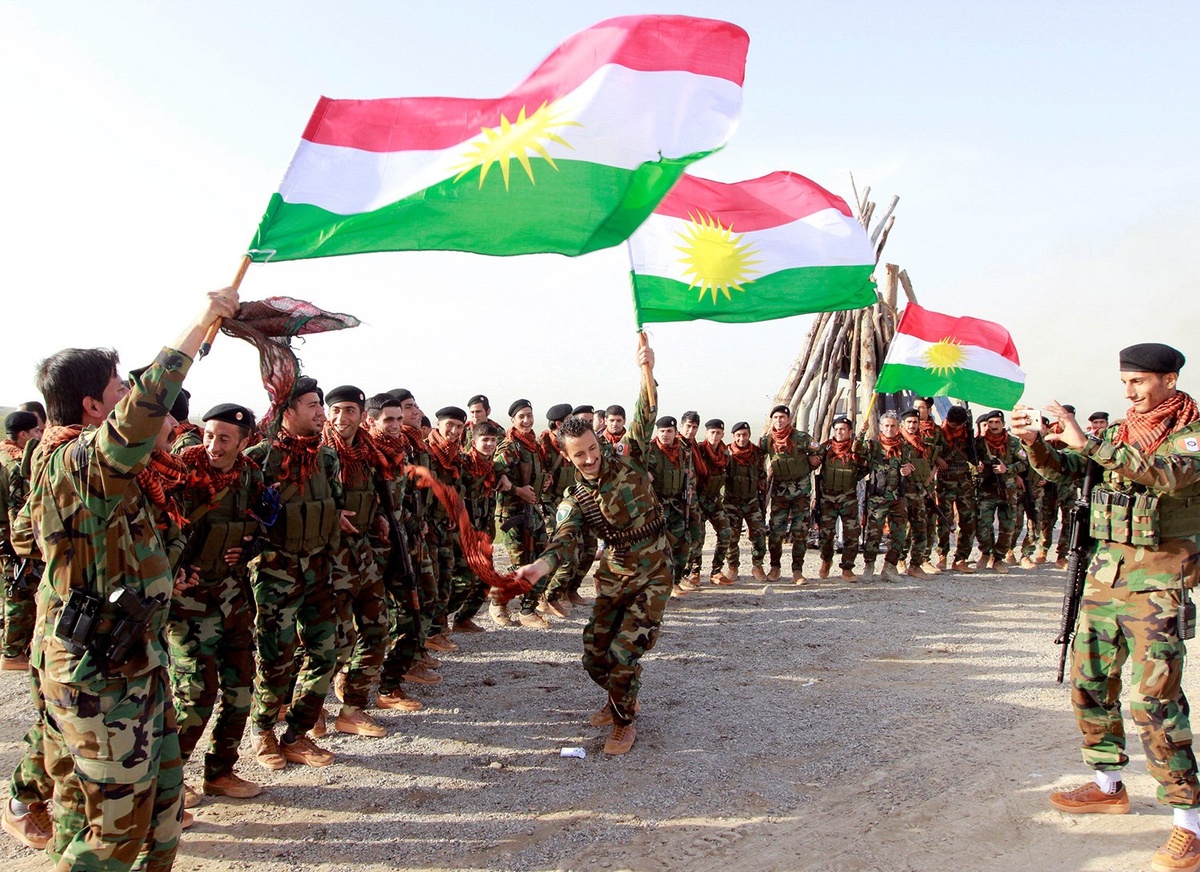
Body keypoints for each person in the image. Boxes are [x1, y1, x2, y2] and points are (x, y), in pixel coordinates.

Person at [14, 287, 238, 869]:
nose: (128, 394)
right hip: (99, 675)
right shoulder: (76, 463)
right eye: (118, 388)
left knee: (158, 811)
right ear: (93, 406)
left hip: (134, 660)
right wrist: (199, 323)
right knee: (116, 830)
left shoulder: (102, 472)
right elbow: (143, 409)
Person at [1013, 342, 1200, 872]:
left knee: (1155, 702)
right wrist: (1034, 443)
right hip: (1105, 578)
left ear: (1169, 379)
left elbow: (1166, 474)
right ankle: (1108, 785)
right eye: (1124, 383)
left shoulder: (1191, 433)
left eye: (1138, 382)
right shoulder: (1119, 432)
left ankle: (1189, 822)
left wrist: (1089, 442)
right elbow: (1069, 469)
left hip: (1159, 583)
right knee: (1090, 684)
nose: (1129, 392)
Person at [513, 338, 669, 756]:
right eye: (579, 455)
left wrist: (647, 371)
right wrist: (539, 569)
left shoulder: (630, 458)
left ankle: (623, 722)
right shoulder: (576, 497)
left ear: (600, 442)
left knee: (623, 652)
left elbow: (646, 414)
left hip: (654, 574)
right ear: (567, 457)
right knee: (593, 655)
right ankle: (621, 694)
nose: (589, 459)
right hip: (615, 575)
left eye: (593, 449)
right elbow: (564, 538)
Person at [247, 376, 348, 770]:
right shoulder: (259, 459)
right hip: (276, 575)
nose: (321, 413)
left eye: (320, 404)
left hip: (319, 570)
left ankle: (296, 733)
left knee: (324, 653)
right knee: (276, 658)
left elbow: (334, 505)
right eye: (312, 405)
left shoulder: (327, 459)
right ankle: (262, 729)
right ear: (287, 411)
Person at [166, 403, 264, 802]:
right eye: (209, 435)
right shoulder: (179, 474)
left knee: (240, 688)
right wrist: (174, 568)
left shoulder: (250, 475)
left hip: (233, 597)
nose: (213, 446)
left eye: (225, 439)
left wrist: (251, 545)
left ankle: (220, 771)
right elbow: (155, 528)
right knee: (196, 694)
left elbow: (262, 521)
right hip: (189, 602)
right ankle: (168, 782)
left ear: (243, 442)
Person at [322, 385, 393, 739]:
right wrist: (331, 514)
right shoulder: (317, 453)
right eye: (335, 410)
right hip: (328, 561)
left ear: (362, 415)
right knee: (332, 642)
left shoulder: (366, 453)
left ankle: (352, 707)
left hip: (362, 555)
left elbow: (369, 495)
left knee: (378, 629)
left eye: (349, 410)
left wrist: (376, 516)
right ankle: (308, 707)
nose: (341, 418)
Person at [495, 399, 551, 628]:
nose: (527, 420)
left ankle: (528, 610)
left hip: (532, 511)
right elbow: (493, 472)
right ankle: (498, 599)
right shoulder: (509, 447)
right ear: (513, 420)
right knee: (520, 564)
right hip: (513, 514)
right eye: (522, 417)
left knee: (544, 560)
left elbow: (540, 470)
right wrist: (517, 490)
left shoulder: (532, 446)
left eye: (529, 415)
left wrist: (546, 479)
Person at [1, 411, 42, 670]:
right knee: (19, 593)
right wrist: (23, 546)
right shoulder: (16, 465)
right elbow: (16, 510)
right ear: (23, 435)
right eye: (36, 431)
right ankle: (12, 652)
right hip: (10, 539)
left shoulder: (3, 455)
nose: (40, 435)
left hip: (4, 538)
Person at [760, 405, 821, 582]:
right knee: (776, 532)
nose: (779, 421)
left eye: (782, 417)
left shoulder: (801, 438)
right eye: (776, 418)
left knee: (800, 532)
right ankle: (775, 567)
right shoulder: (767, 441)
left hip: (801, 492)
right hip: (780, 492)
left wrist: (812, 461)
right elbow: (755, 456)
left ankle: (797, 570)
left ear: (789, 419)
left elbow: (820, 450)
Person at [859, 411, 915, 582]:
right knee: (874, 533)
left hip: (898, 497)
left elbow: (909, 466)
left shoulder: (904, 447)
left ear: (898, 428)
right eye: (886, 426)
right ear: (881, 427)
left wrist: (908, 470)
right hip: (878, 497)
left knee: (899, 533)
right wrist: (861, 433)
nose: (890, 429)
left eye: (893, 426)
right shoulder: (873, 446)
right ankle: (869, 566)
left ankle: (890, 567)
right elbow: (856, 451)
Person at [974, 410, 1027, 573]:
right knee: (983, 524)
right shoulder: (979, 443)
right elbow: (970, 460)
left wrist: (1007, 469)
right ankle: (986, 552)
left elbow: (1024, 463)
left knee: (1008, 526)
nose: (994, 425)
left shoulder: (1014, 442)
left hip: (1007, 490)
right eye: (990, 422)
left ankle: (998, 558)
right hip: (986, 489)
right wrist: (977, 467)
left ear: (1003, 424)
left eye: (997, 422)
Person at [644, 414, 691, 596]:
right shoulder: (649, 451)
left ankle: (675, 581)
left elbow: (689, 474)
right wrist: (645, 474)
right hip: (656, 505)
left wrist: (689, 486)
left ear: (675, 432)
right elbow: (635, 469)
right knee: (657, 546)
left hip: (677, 505)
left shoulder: (682, 452)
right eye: (662, 431)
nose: (665, 434)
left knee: (682, 543)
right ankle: (653, 583)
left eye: (669, 431)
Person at [816, 416, 864, 581]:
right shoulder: (826, 447)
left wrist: (853, 477)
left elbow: (866, 466)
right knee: (826, 534)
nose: (839, 432)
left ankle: (847, 568)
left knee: (852, 534)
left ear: (850, 432)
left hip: (848, 499)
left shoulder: (856, 449)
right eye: (836, 429)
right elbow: (814, 461)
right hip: (828, 499)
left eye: (843, 429)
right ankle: (826, 560)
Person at [932, 406, 979, 573]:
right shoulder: (940, 432)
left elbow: (974, 455)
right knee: (945, 520)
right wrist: (938, 459)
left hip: (964, 481)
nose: (956, 429)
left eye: (959, 426)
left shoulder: (967, 434)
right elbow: (930, 451)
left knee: (968, 520)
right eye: (953, 426)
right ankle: (942, 555)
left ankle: (961, 558)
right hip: (946, 480)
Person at [722, 421, 767, 581]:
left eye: (745, 435)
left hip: (752, 501)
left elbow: (761, 474)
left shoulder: (757, 453)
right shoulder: (726, 453)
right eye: (738, 435)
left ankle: (758, 566)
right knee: (731, 537)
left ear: (749, 435)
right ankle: (732, 567)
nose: (742, 439)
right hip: (731, 502)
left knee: (759, 534)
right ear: (733, 436)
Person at [693, 419, 733, 585]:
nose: (715, 436)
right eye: (712, 432)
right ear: (706, 433)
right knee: (698, 537)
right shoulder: (698, 452)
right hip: (699, 500)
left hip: (715, 500)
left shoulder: (725, 454)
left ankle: (716, 570)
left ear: (722, 434)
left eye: (718, 433)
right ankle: (695, 571)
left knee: (726, 532)